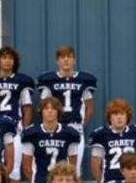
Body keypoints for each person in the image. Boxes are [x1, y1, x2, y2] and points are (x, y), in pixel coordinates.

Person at [37, 44, 97, 174]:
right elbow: (43, 104)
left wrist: (83, 124)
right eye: (62, 57)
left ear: (74, 60)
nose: (66, 60)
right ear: (57, 61)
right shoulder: (49, 80)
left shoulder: (83, 80)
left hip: (74, 126)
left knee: (74, 171)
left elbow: (90, 106)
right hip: (56, 127)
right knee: (54, 167)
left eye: (69, 57)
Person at [21, 97, 81, 183]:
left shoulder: (69, 134)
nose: (49, 111)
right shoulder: (32, 133)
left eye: (53, 108)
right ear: (41, 111)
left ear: (58, 111)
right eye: (46, 108)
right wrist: (36, 181)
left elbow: (72, 165)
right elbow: (27, 166)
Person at [88, 98, 136, 183]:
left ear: (127, 116)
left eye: (122, 114)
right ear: (110, 117)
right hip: (110, 181)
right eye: (115, 114)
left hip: (131, 182)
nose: (119, 117)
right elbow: (95, 166)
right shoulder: (101, 135)